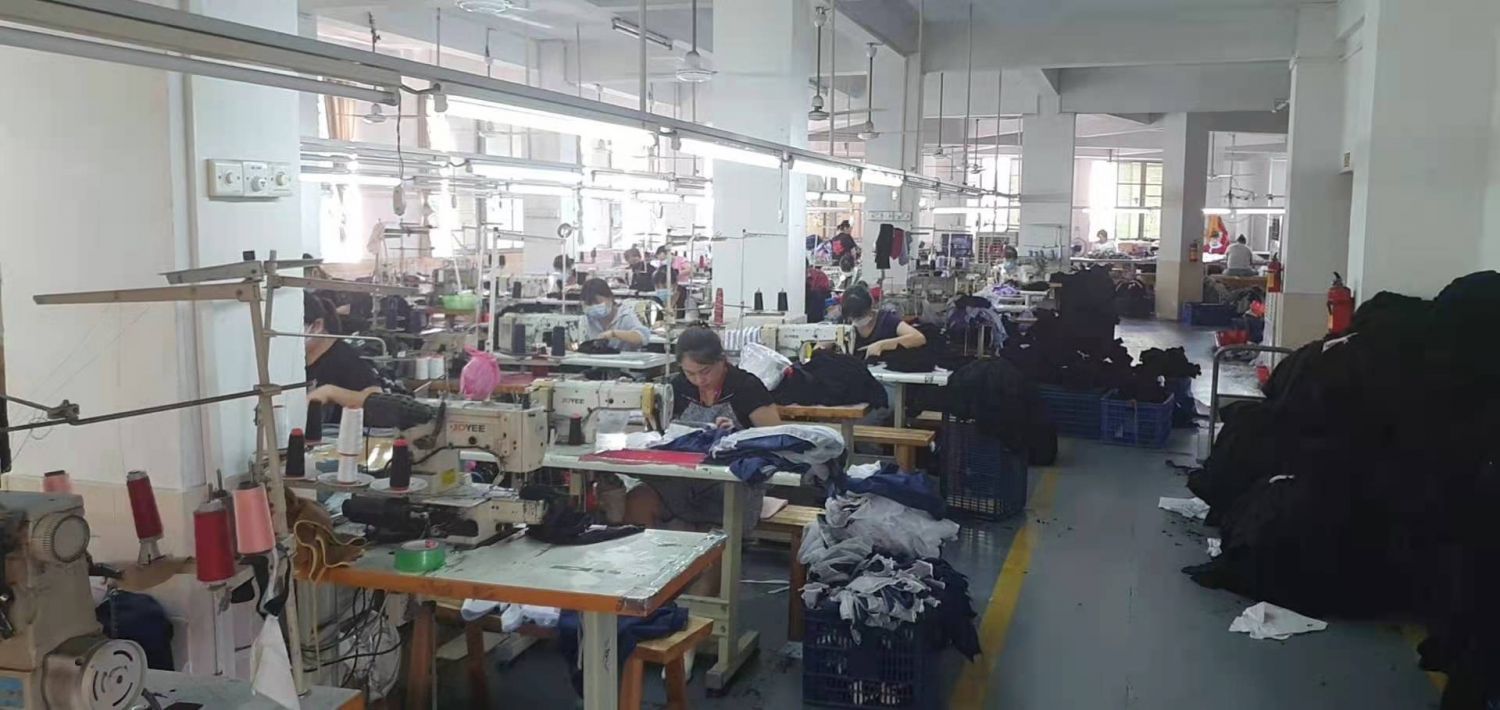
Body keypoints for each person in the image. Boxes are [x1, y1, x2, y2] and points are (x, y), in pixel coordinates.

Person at [623, 328, 781, 531]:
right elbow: (662, 433)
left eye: (705, 371)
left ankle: (719, 549)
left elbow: (777, 441)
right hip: (682, 481)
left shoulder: (747, 387)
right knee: (637, 500)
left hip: (733, 485)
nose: (699, 380)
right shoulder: (678, 387)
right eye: (690, 373)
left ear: (722, 360)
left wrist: (738, 437)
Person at [304, 293, 383, 427]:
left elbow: (378, 401)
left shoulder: (345, 358)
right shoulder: (299, 360)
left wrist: (329, 392)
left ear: (317, 326)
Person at [841, 284, 926, 359]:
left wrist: (882, 345)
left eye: (860, 317)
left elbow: (919, 338)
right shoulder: (846, 321)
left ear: (871, 307)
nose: (856, 321)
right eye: (853, 318)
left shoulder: (886, 320)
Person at [580, 278, 651, 351]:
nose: (593, 306)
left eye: (597, 302)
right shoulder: (587, 319)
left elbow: (643, 337)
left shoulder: (625, 316)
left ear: (610, 298)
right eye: (589, 304)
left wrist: (614, 334)